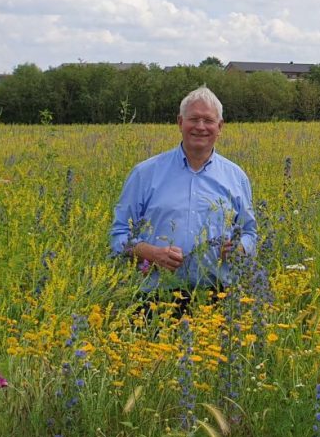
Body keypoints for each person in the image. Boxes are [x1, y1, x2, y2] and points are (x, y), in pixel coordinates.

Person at [110, 86, 257, 316]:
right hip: (154, 298)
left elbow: (250, 233)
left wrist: (241, 248)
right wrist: (151, 253)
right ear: (180, 122)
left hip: (217, 298)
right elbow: (119, 234)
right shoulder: (145, 174)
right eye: (193, 119)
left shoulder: (236, 177)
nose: (200, 127)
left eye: (208, 120)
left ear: (220, 127)